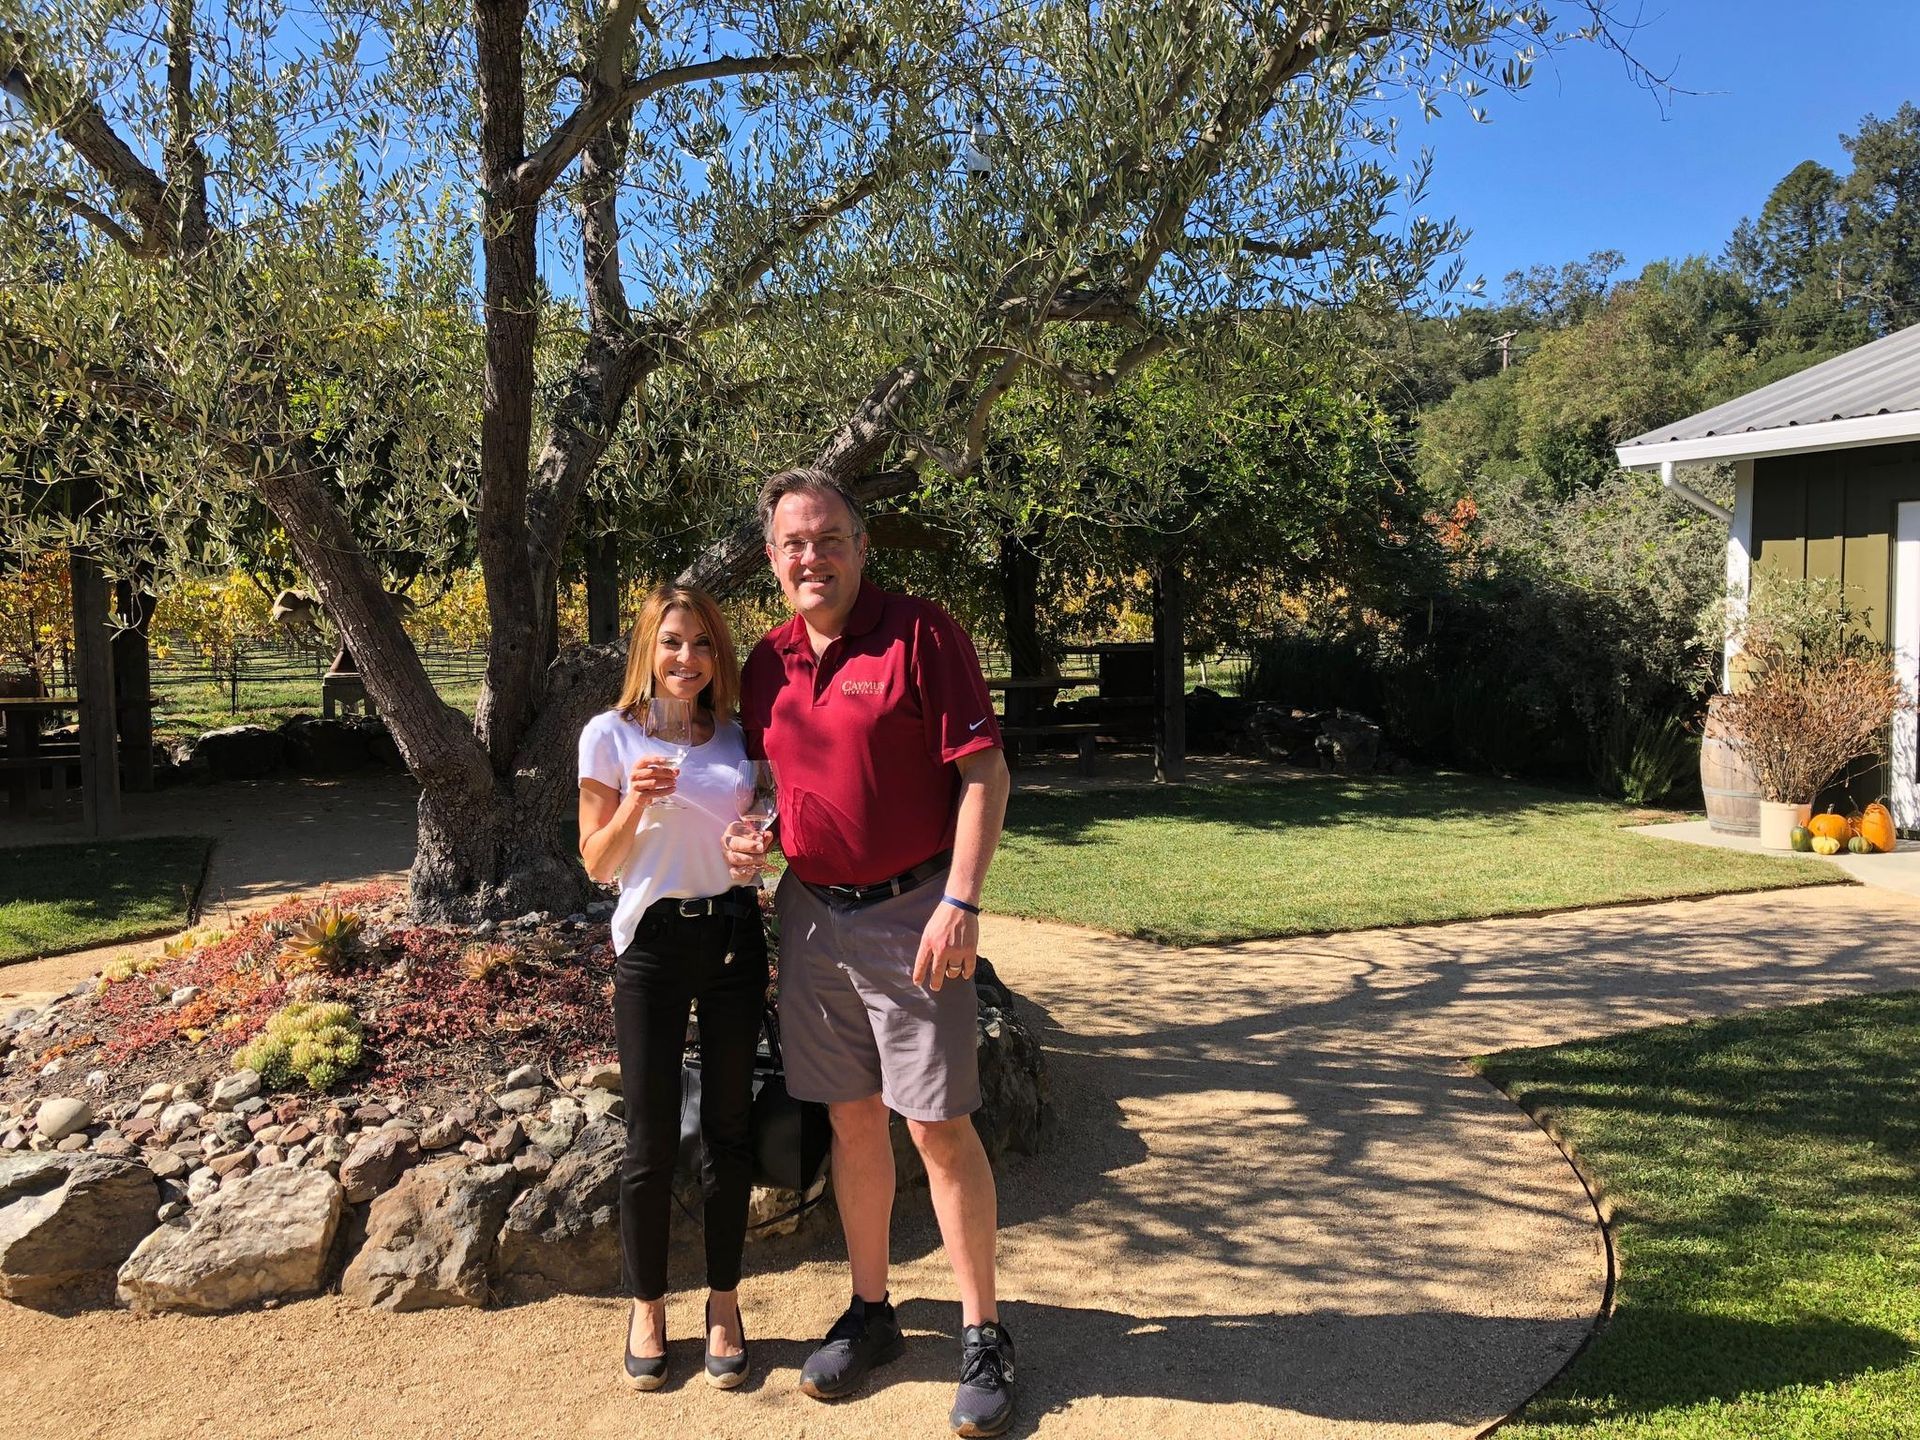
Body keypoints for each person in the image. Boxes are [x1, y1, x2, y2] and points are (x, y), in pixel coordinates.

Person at [724, 468, 1017, 1438]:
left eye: (829, 538)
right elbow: (766, 785)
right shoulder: (764, 661)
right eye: (793, 544)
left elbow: (985, 776)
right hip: (810, 919)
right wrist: (754, 828)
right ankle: (873, 1310)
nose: (812, 557)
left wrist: (962, 900)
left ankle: (982, 1334)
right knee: (853, 1124)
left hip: (913, 915)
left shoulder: (923, 635)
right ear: (773, 560)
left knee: (937, 1127)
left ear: (860, 546)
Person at [577, 583, 765, 1393]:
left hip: (730, 936)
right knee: (650, 1137)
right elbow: (597, 862)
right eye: (672, 642)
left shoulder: (735, 738)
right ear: (648, 651)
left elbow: (760, 829)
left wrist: (759, 848)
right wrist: (636, 808)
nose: (686, 658)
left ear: (717, 656)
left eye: (701, 644)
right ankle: (647, 1305)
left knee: (728, 1127)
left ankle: (723, 1302)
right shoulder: (609, 736)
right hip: (650, 944)